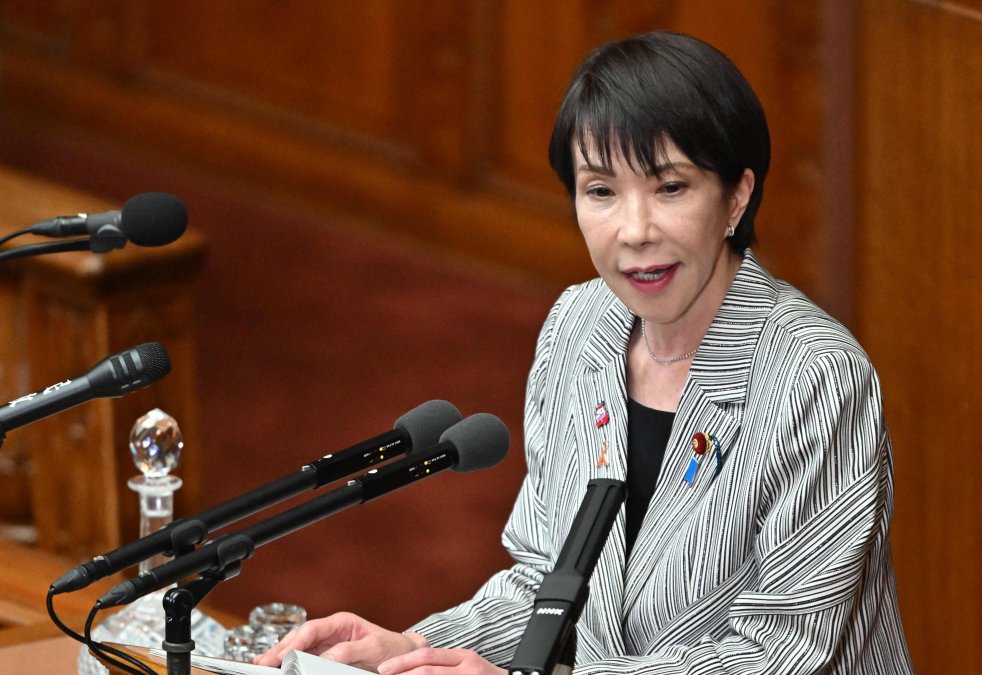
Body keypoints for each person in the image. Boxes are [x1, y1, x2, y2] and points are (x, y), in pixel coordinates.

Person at [258, 31, 913, 674]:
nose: (634, 230)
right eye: (601, 191)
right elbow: (547, 585)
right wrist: (411, 648)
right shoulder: (580, 324)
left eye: (671, 188)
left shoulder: (816, 377)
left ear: (737, 196)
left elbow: (778, 654)